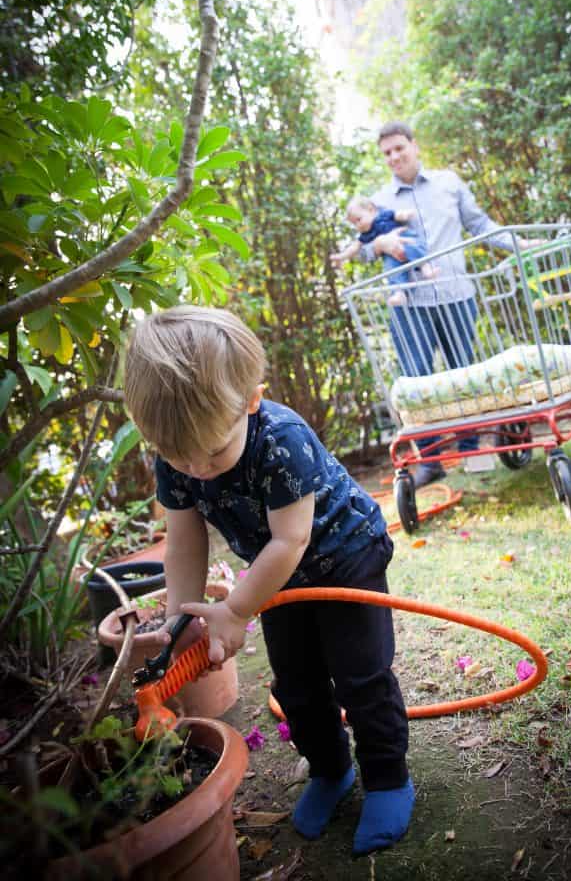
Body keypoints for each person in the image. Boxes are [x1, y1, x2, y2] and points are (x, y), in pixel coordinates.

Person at [123, 306, 414, 856]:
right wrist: (180, 617)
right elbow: (184, 537)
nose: (196, 468)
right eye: (176, 455)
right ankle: (331, 770)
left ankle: (388, 776)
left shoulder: (280, 439)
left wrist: (234, 610)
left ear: (251, 400)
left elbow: (291, 540)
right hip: (274, 578)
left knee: (360, 677)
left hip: (342, 557)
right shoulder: (180, 457)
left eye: (212, 451)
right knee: (296, 683)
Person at [359, 121, 533, 488]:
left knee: (463, 375)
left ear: (414, 146)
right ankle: (430, 460)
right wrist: (379, 246)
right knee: (416, 383)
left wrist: (520, 244)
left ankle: (473, 451)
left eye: (399, 149)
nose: (394, 157)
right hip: (408, 306)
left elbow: (480, 224)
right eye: (387, 153)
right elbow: (361, 249)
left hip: (456, 295)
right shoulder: (379, 202)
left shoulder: (449, 183)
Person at [331, 195, 436, 304]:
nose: (358, 225)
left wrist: (405, 214)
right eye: (354, 224)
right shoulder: (365, 235)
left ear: (371, 210)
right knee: (391, 269)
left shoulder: (383, 215)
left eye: (359, 219)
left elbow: (396, 215)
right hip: (390, 255)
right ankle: (399, 293)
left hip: (404, 238)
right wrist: (341, 256)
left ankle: (425, 267)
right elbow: (354, 248)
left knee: (414, 246)